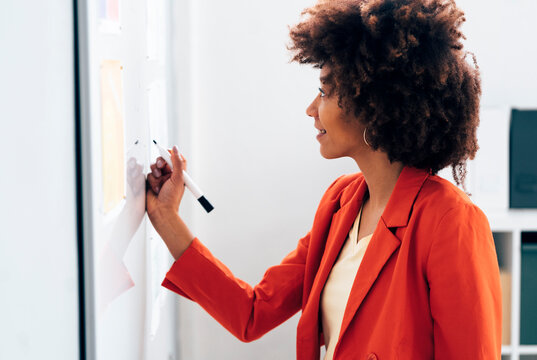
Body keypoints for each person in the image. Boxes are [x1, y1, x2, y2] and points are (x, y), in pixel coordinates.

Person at [146, 0, 502, 358]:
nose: (311, 108)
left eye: (325, 91)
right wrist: (166, 218)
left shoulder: (450, 221)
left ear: (373, 105)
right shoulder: (340, 202)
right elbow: (252, 312)